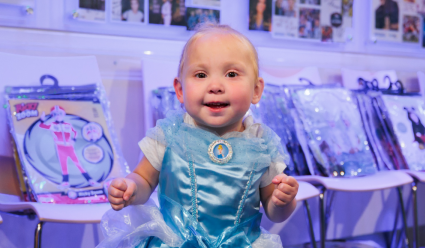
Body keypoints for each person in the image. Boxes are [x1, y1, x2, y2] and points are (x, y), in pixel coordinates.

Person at [98, 24, 299, 247]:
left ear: (256, 90)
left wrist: (283, 202)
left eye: (231, 74)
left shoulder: (261, 144)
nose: (215, 86)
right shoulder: (170, 135)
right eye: (201, 74)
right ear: (180, 90)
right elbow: (144, 179)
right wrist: (131, 188)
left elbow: (274, 211)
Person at [39, 106, 99, 189]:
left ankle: (90, 180)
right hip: (60, 147)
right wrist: (42, 119)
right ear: (53, 115)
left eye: (60, 113)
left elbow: (75, 132)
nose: (58, 115)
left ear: (63, 114)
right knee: (63, 165)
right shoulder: (52, 125)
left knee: (78, 163)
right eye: (55, 114)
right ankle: (65, 182)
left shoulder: (68, 125)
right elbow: (42, 126)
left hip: (69, 147)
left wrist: (73, 140)